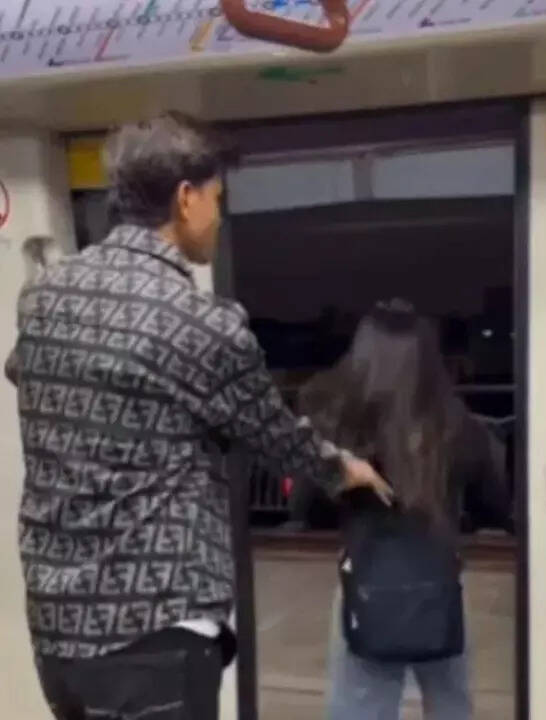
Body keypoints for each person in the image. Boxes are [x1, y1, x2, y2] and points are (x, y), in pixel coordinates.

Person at [5, 111, 393, 720]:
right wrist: (344, 470)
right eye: (217, 199)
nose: (219, 215)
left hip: (57, 632)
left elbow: (21, 371)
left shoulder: (45, 297)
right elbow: (275, 436)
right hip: (153, 630)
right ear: (185, 199)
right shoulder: (201, 323)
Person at [296, 300, 510, 720]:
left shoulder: (338, 427)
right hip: (440, 583)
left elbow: (305, 508)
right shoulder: (459, 426)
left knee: (360, 707)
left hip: (363, 585)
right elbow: (495, 506)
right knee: (450, 705)